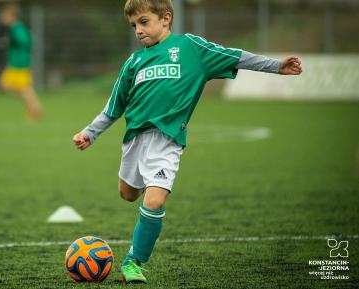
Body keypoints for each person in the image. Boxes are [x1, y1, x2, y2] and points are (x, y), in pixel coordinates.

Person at [72, 0, 302, 284]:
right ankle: (148, 184)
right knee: (128, 194)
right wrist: (89, 133)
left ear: (166, 18)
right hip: (135, 140)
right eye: (133, 26)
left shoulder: (191, 48)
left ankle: (134, 261)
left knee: (154, 201)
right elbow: (113, 107)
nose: (138, 31)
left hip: (167, 140)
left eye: (144, 22)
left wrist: (276, 66)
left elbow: (235, 56)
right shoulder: (134, 62)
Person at [0, 4, 43, 120]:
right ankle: (32, 106)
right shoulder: (16, 28)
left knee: (22, 88)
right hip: (16, 63)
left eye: (5, 15)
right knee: (9, 86)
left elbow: (25, 41)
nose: (2, 17)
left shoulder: (16, 28)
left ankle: (35, 108)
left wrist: (10, 42)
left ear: (12, 16)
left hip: (19, 64)